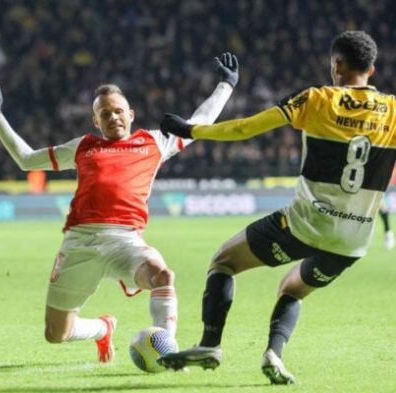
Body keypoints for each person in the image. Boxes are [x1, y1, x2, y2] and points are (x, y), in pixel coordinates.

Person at [157, 31, 396, 384]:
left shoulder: (316, 98)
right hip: (354, 239)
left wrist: (191, 131)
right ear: (372, 70)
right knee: (293, 288)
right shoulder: (393, 110)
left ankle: (210, 344)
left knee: (224, 261)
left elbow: (245, 129)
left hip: (306, 223)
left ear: (337, 65)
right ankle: (274, 354)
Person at [0, 53, 239, 363]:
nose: (113, 117)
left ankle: (167, 350)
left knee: (162, 275)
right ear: (96, 120)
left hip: (124, 240)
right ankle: (103, 329)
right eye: (105, 114)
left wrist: (226, 85)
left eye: (118, 111)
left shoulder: (154, 142)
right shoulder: (82, 146)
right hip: (79, 243)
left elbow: (199, 124)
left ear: (131, 113)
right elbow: (26, 159)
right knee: (55, 333)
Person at [378, 166, 396, 249]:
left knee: (381, 206)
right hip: (377, 182)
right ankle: (388, 233)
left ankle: (388, 233)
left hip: (384, 184)